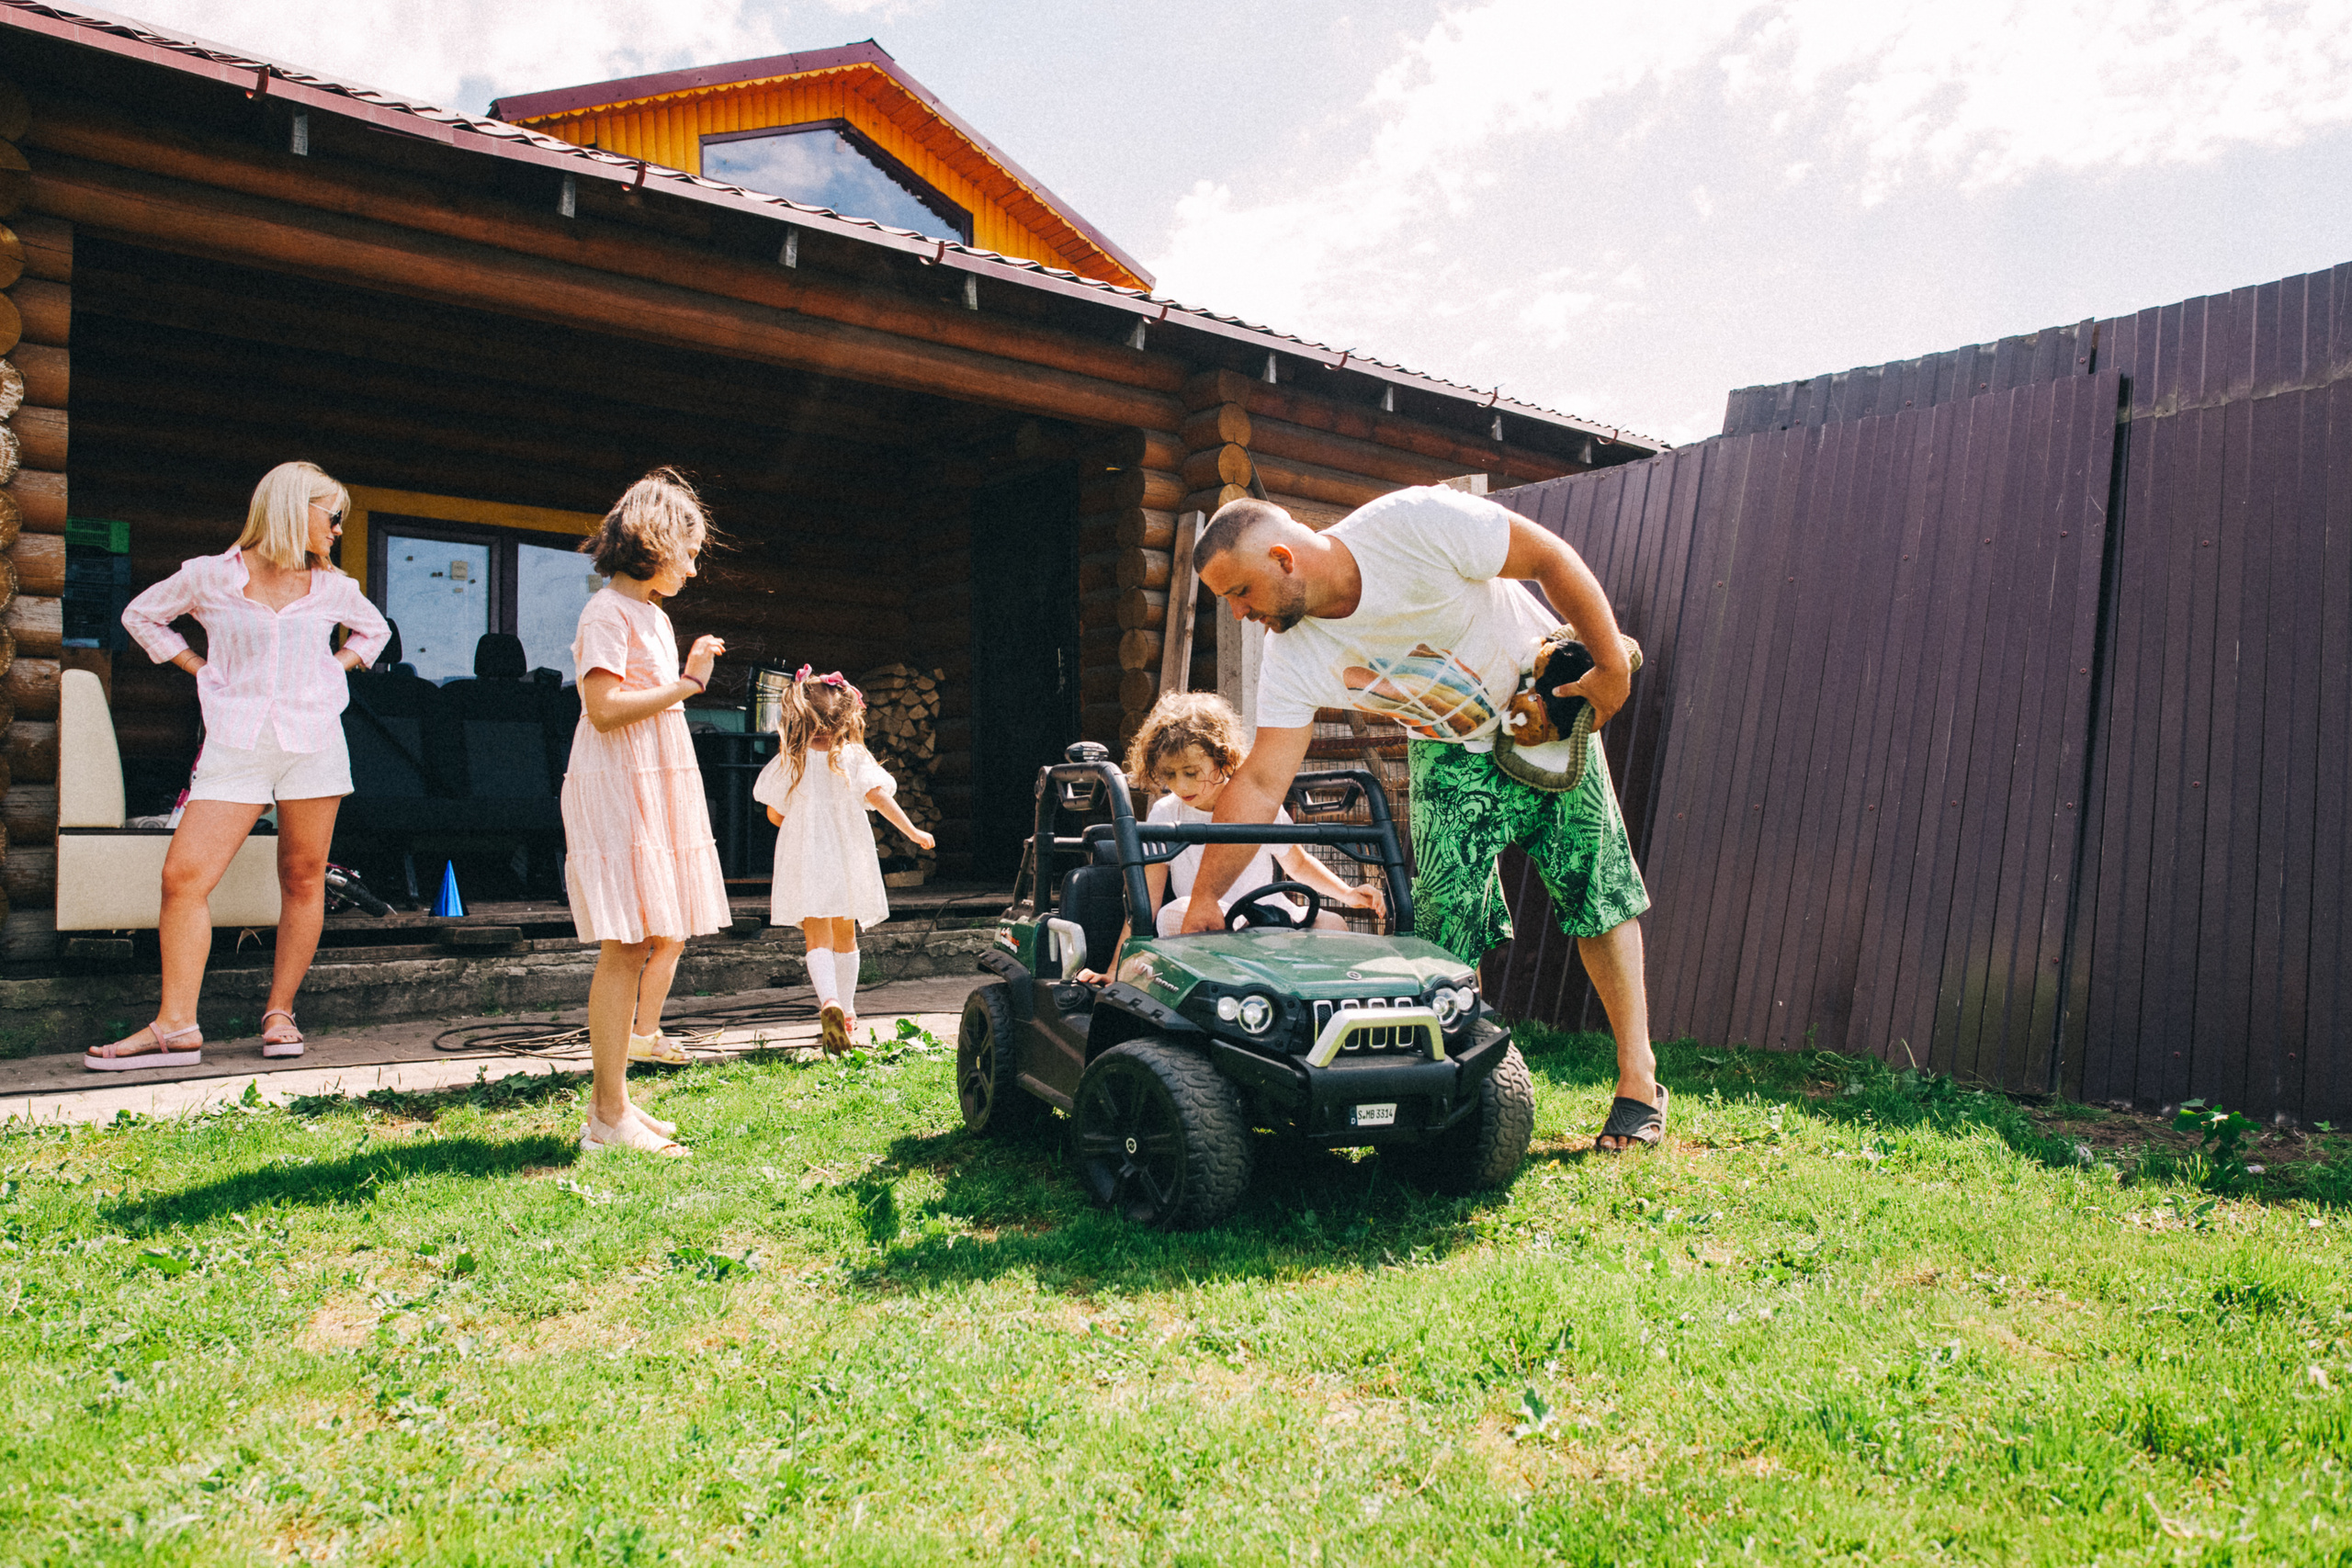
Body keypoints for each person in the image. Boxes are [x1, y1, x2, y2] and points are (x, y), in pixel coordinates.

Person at [1187, 488, 1666, 1152]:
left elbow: (1549, 557)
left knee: (1599, 892)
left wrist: (1610, 666)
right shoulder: (1293, 657)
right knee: (1444, 931)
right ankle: (1456, 1091)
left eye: (1240, 591)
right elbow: (1265, 777)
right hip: (1446, 753)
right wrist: (1207, 893)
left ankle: (1638, 1083)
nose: (1240, 612)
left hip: (1542, 720)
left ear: (1282, 558)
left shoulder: (1414, 524)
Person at [90, 461, 390, 1070]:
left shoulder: (334, 587)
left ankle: (280, 1012)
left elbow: (374, 630)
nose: (337, 529)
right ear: (290, 508)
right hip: (236, 743)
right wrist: (197, 667)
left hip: (314, 745)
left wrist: (338, 665)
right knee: (184, 877)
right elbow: (140, 616)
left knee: (305, 878)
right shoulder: (210, 577)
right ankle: (176, 1025)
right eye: (332, 516)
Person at [561, 468, 731, 1156]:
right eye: (689, 550)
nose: (694, 565)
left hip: (650, 781)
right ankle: (606, 1116)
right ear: (655, 542)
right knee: (626, 943)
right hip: (617, 781)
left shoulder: (653, 615)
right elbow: (601, 710)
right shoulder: (605, 613)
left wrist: (679, 679)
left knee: (646, 939)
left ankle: (616, 1105)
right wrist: (686, 685)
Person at [1073, 691, 1384, 982]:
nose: (1181, 785)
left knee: (1334, 925)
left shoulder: (1257, 805)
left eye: (1191, 772)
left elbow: (1298, 865)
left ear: (1223, 758)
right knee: (1175, 911)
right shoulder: (1167, 814)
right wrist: (1114, 969)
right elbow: (1147, 901)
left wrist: (1348, 894)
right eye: (1170, 774)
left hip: (1270, 918)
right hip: (1207, 919)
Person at [752, 670, 935, 1055]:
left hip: (806, 854)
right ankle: (848, 1011)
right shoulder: (853, 755)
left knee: (815, 932)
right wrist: (912, 832)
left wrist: (799, 819)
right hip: (848, 853)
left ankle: (828, 1001)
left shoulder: (792, 758)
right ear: (846, 717)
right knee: (845, 932)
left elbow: (773, 813)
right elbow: (880, 798)